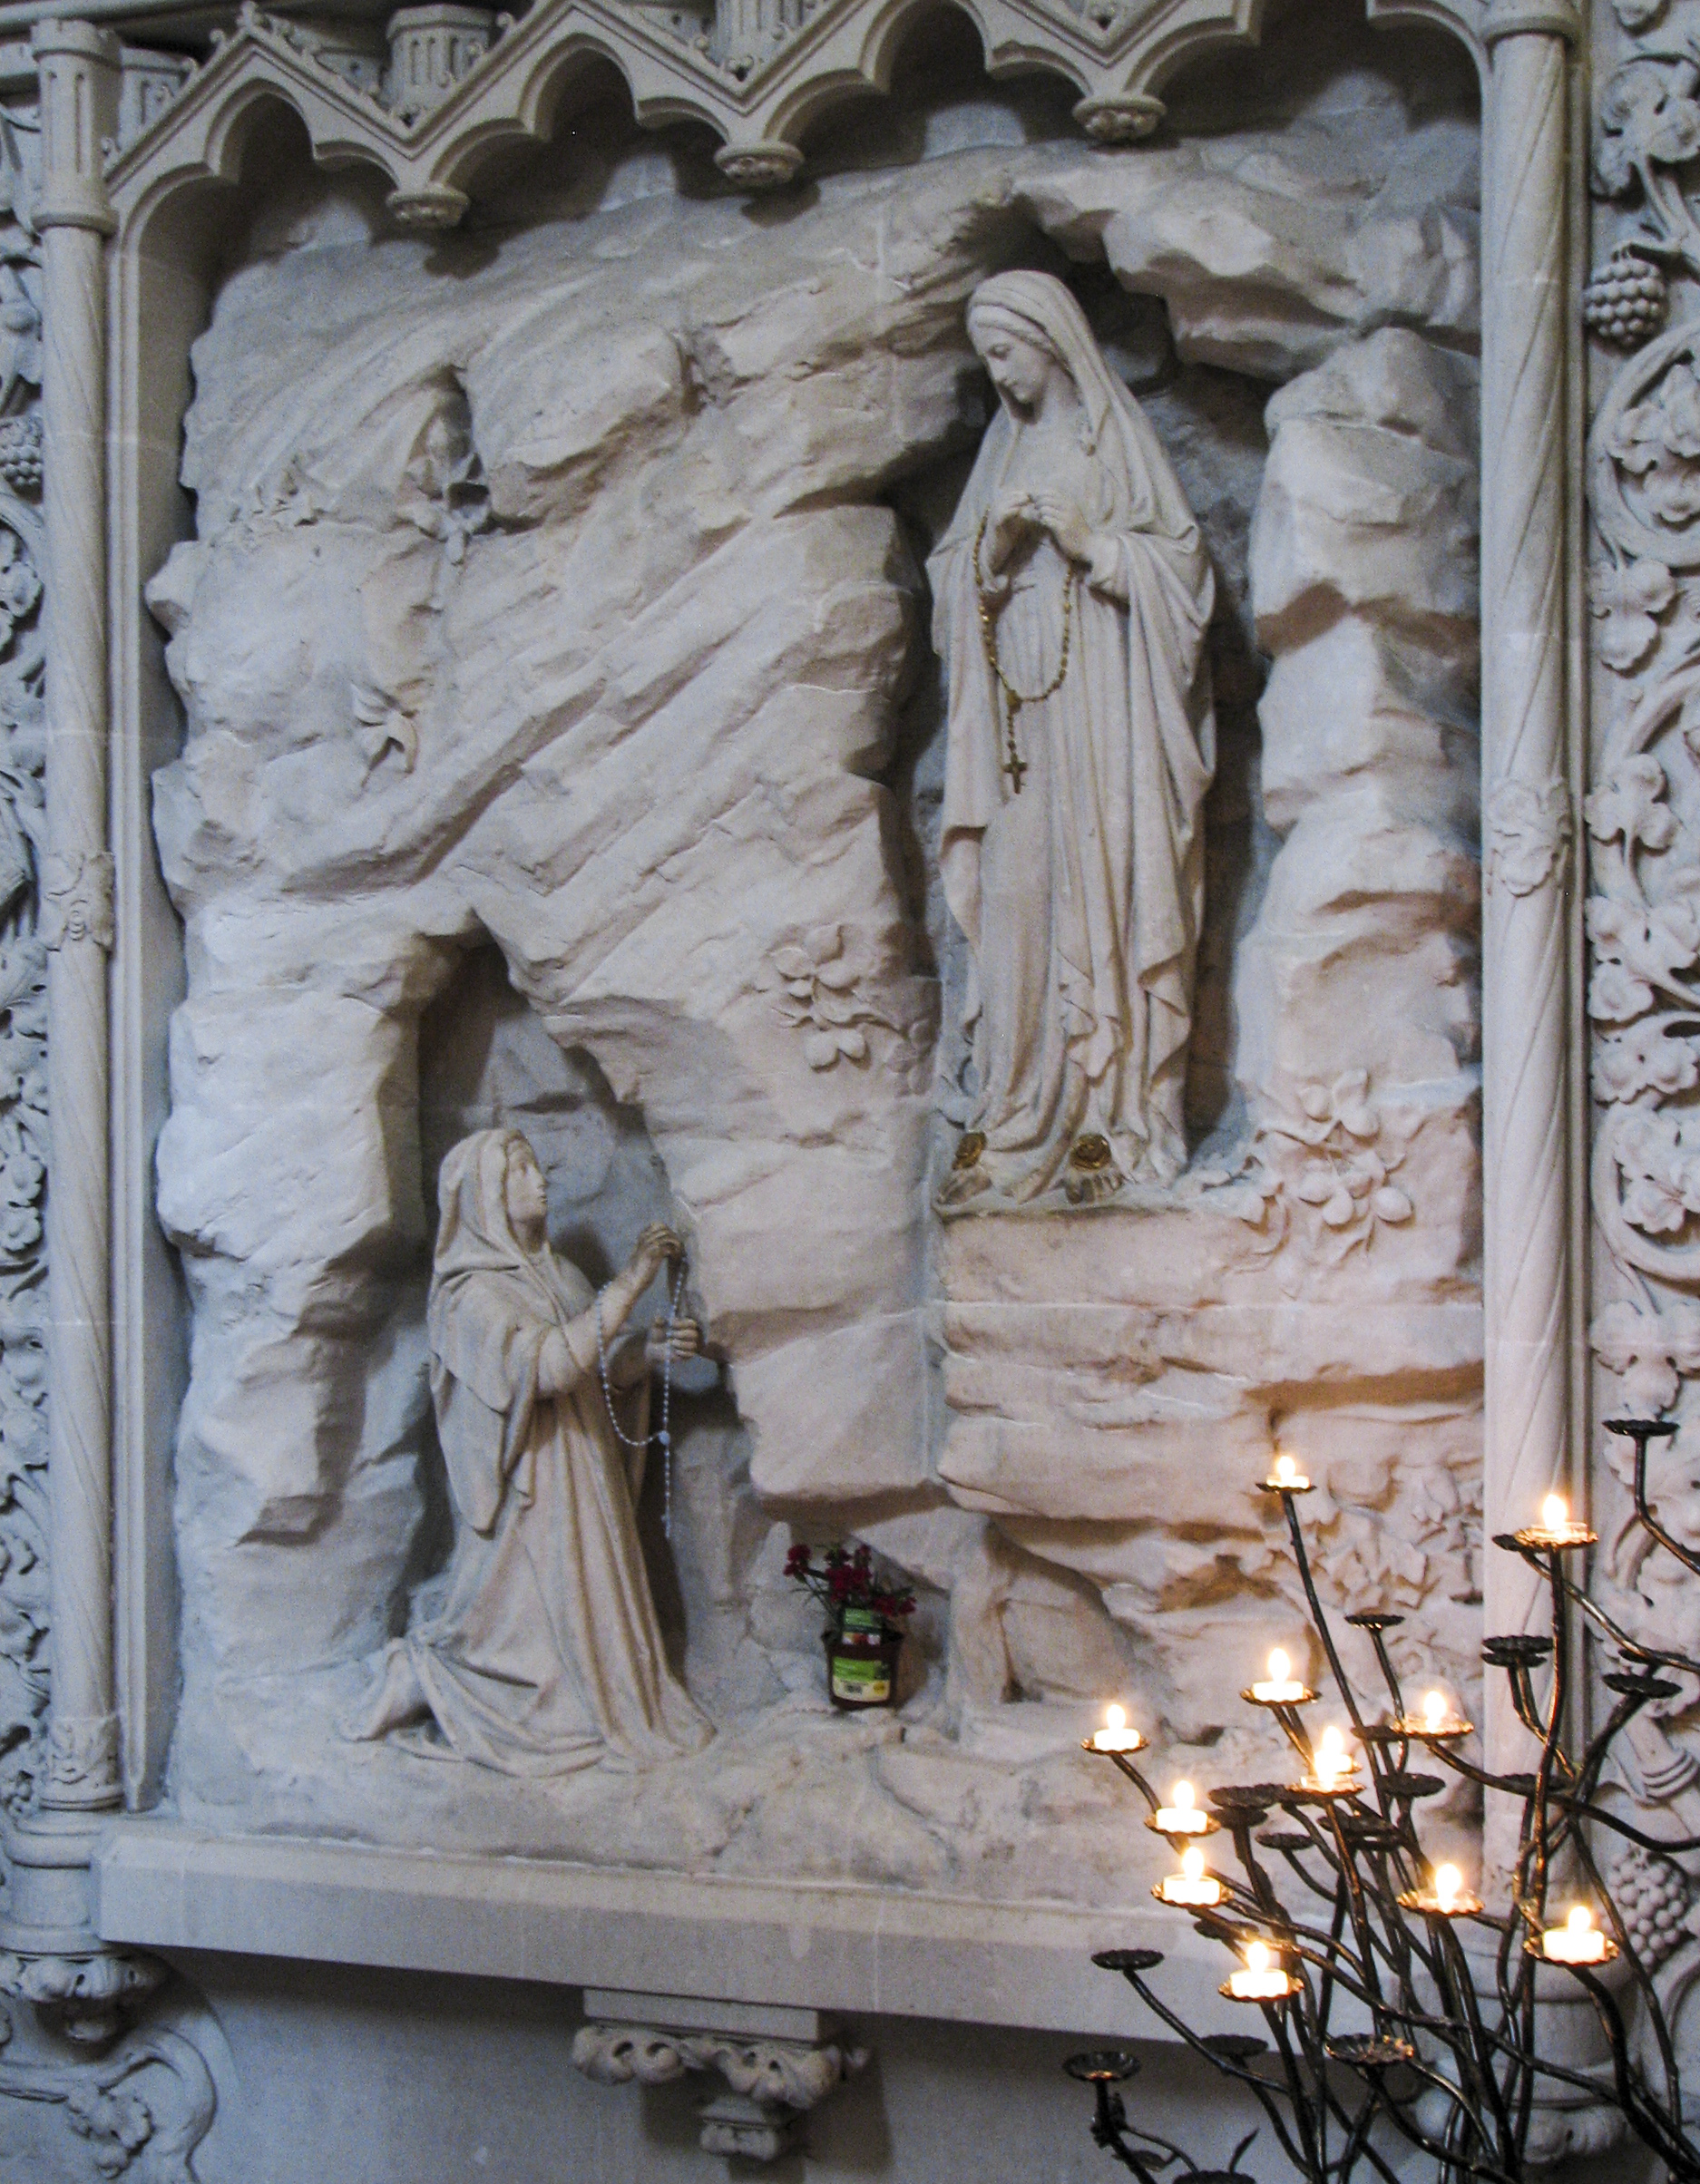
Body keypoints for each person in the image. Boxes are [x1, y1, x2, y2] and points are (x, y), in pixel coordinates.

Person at [931, 269, 1216, 1205]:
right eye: (986, 360)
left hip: (1103, 715)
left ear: (1050, 339)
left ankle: (1109, 1120)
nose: (1000, 375)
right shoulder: (999, 455)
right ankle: (1013, 1118)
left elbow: (1185, 580)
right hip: (1016, 726)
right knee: (1017, 906)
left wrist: (1095, 544)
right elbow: (951, 586)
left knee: (1103, 892)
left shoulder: (1112, 446)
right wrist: (992, 555)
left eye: (1006, 352)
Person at [343, 1127, 711, 1774]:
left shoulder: (561, 1274)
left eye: (536, 1167)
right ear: (485, 1197)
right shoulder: (468, 1297)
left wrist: (641, 1354)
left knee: (582, 1634)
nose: (539, 1180)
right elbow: (545, 1368)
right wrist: (630, 1281)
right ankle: (432, 1677)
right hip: (533, 1487)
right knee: (529, 1642)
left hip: (582, 1466)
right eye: (518, 1173)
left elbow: (591, 1371)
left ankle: (586, 1702)